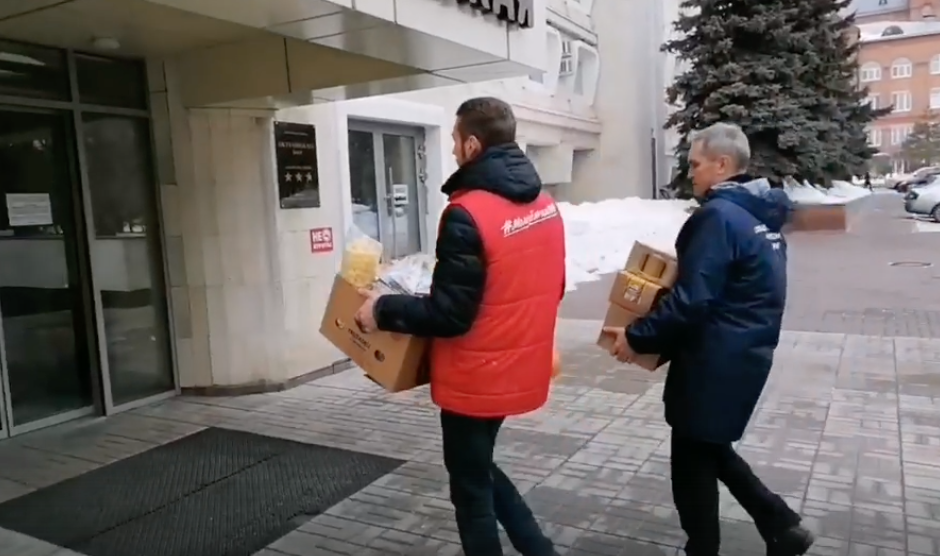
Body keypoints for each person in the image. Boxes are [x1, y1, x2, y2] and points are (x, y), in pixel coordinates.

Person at [354, 97, 564, 556]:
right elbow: (552, 285)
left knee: (470, 490)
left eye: (454, 140)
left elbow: (450, 314)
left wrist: (383, 309)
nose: (451, 149)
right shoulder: (545, 205)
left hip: (474, 378)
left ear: (472, 144)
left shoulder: (467, 213)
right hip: (518, 367)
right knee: (479, 467)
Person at [602, 123, 814, 556]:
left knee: (692, 462)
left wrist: (638, 337)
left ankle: (717, 544)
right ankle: (781, 526)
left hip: (713, 359)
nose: (691, 173)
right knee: (708, 448)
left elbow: (692, 299)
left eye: (696, 164)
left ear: (722, 164)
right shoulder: (760, 217)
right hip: (745, 353)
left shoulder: (717, 217)